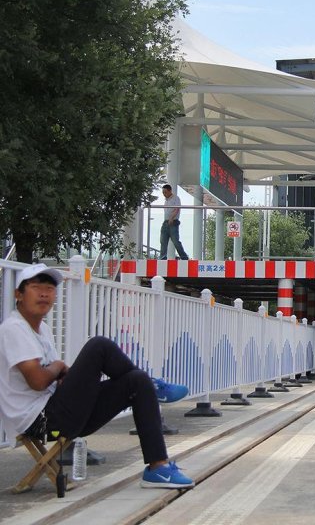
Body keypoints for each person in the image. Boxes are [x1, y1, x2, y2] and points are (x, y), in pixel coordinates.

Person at [0, 264, 194, 489]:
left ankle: (157, 468)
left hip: (59, 412)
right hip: (42, 421)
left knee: (136, 382)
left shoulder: (42, 330)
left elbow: (48, 377)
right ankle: (154, 387)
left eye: (49, 289)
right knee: (98, 346)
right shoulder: (13, 329)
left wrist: (61, 373)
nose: (44, 294)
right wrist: (58, 366)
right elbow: (38, 381)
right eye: (35, 288)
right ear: (19, 294)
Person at [159, 184, 188, 260]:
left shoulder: (176, 198)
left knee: (175, 241)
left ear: (170, 191)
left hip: (173, 222)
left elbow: (177, 209)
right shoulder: (166, 200)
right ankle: (162, 257)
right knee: (163, 241)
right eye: (163, 192)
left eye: (165, 192)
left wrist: (171, 218)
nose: (164, 194)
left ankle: (184, 257)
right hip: (165, 222)